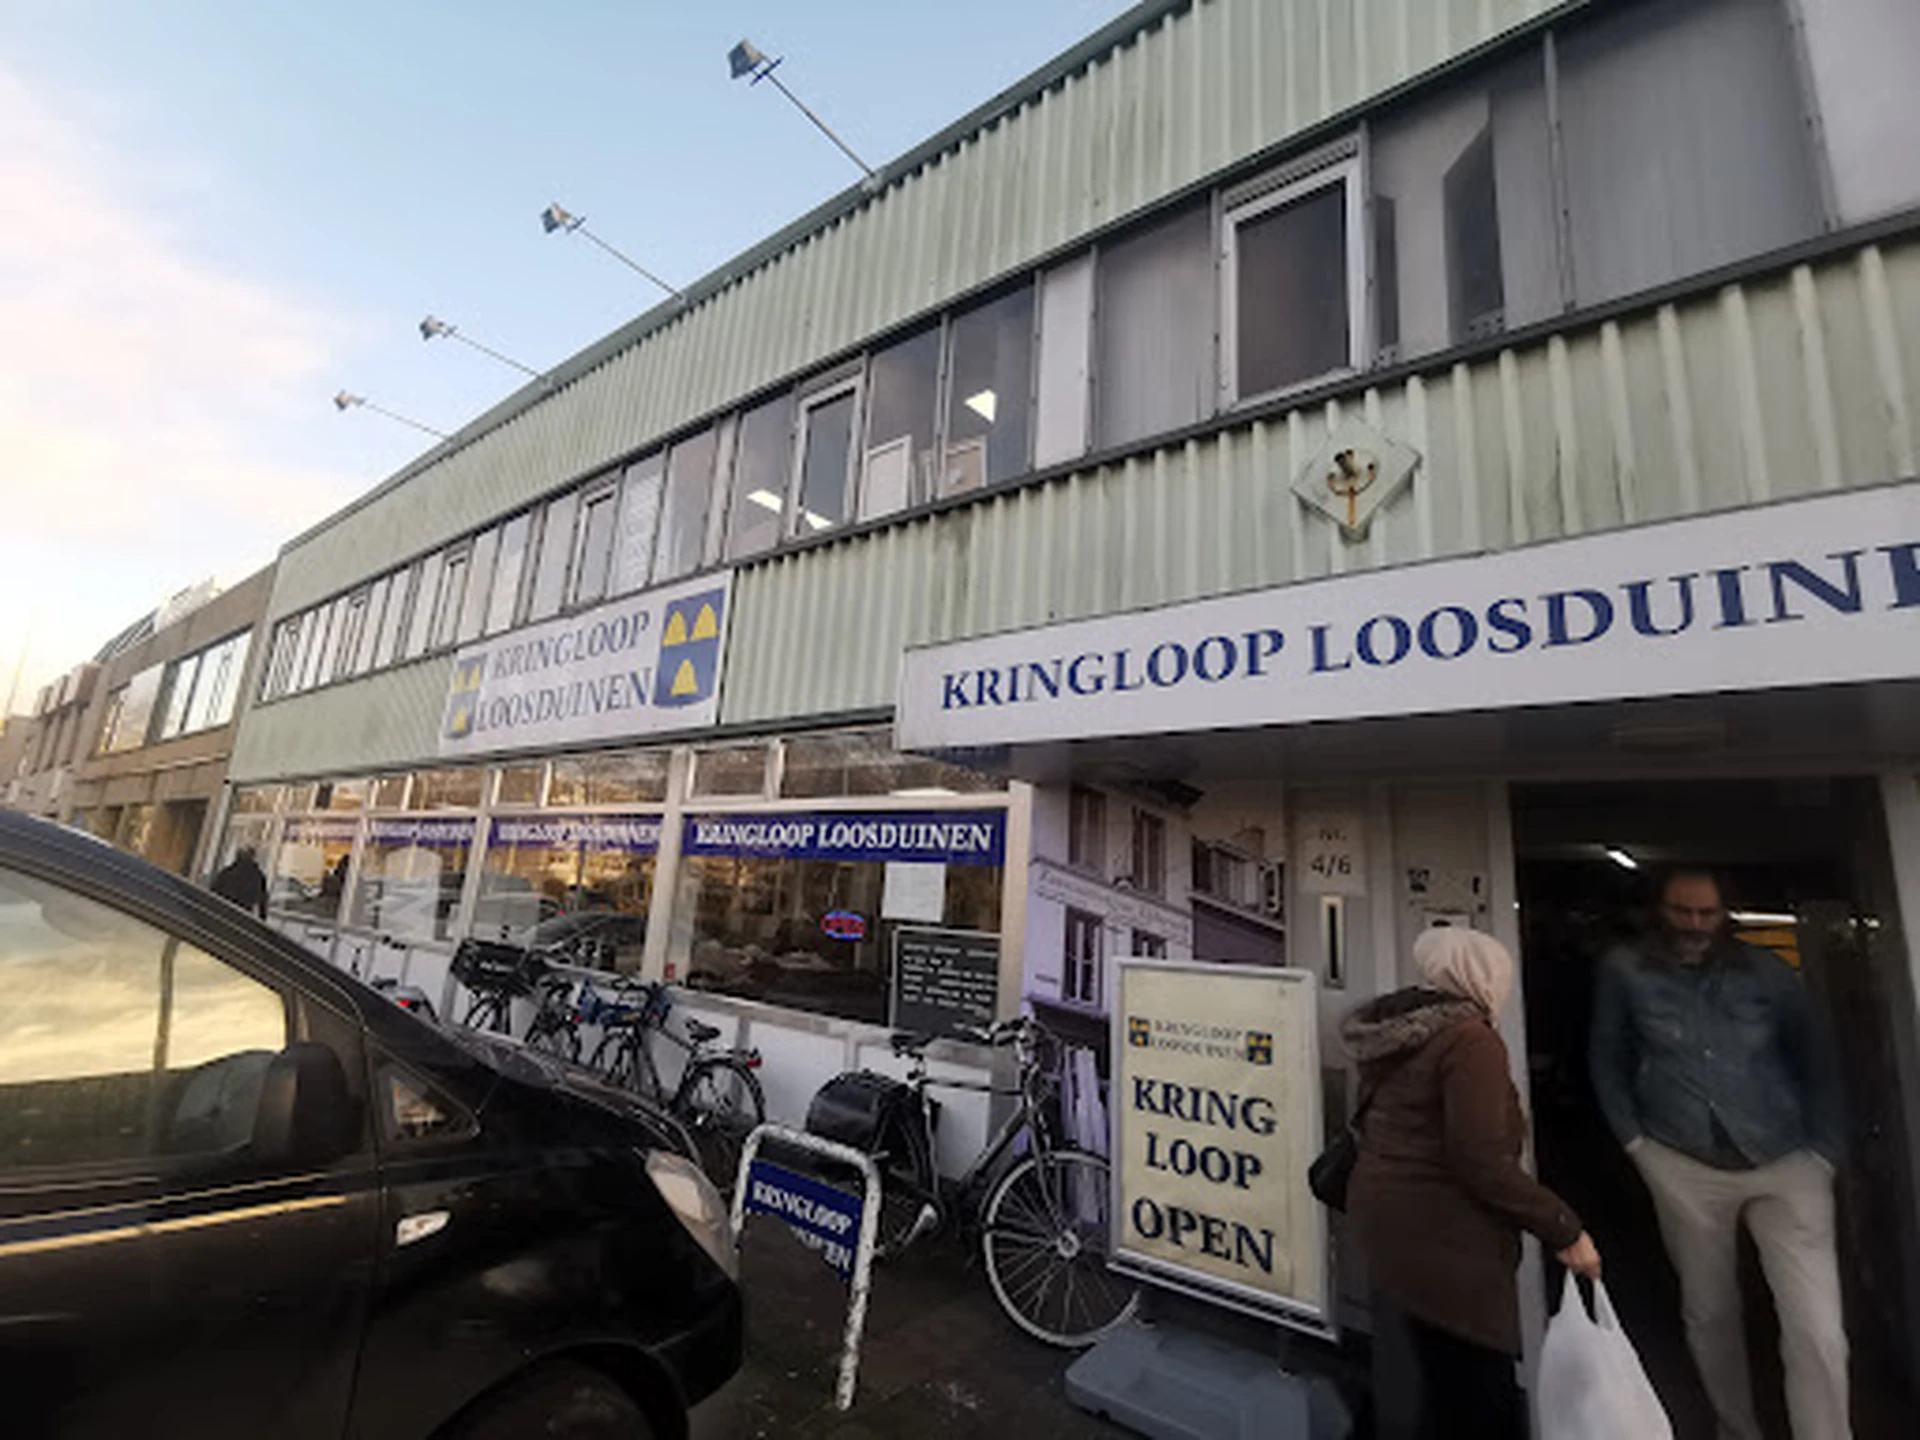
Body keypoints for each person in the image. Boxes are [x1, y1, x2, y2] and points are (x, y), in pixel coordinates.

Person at [1591, 869, 1849, 1440]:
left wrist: (1825, 1150)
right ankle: (1736, 1430)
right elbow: (1606, 1057)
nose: (1695, 924)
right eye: (1682, 911)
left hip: (1786, 1157)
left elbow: (1817, 1058)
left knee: (1818, 1329)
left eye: (1707, 913)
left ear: (1726, 914)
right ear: (1659, 910)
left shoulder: (1769, 972)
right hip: (1681, 1159)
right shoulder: (1624, 969)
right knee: (1709, 1314)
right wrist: (1637, 1145)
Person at [1346, 925, 1601, 1440]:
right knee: (1474, 1383)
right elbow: (1480, 1159)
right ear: (1484, 976)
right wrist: (1564, 1228)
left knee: (1418, 1371)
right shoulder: (1470, 1040)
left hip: (1388, 1221)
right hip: (1443, 1234)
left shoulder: (1399, 1028)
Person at [209, 845, 268, 919]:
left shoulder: (228, 872)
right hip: (243, 914)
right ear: (253, 858)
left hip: (224, 910)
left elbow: (214, 890)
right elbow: (263, 900)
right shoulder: (259, 877)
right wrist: (262, 917)